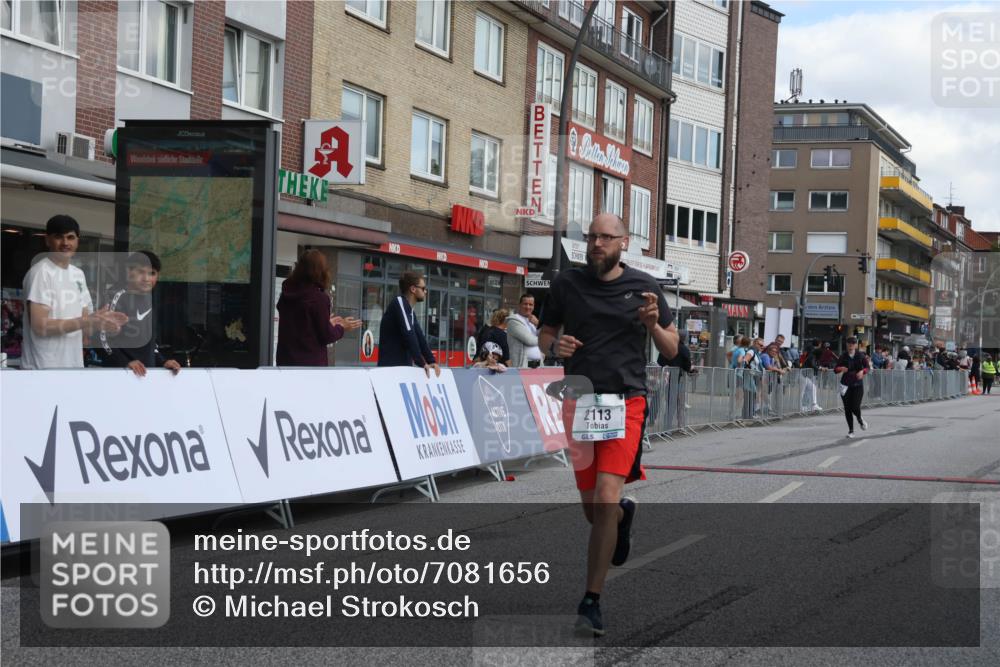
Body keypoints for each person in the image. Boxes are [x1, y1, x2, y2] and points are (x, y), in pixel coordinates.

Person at [537, 213, 679, 637]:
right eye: (591, 236)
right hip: (578, 399)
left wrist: (653, 326)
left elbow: (672, 349)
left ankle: (591, 600)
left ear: (624, 242)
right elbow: (545, 334)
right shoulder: (566, 283)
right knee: (593, 509)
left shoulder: (644, 287)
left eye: (605, 236)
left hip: (626, 400)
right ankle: (622, 515)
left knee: (603, 497)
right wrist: (553, 345)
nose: (596, 243)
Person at [21, 215, 127, 369]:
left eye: (70, 237)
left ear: (77, 240)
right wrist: (88, 321)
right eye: (59, 237)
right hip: (42, 369)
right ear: (47, 240)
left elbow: (85, 326)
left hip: (73, 368)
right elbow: (40, 326)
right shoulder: (41, 273)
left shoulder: (78, 274)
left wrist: (102, 324)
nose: (65, 243)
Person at [100, 251, 181, 377]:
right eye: (141, 272)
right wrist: (125, 362)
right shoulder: (115, 296)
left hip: (146, 376)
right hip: (121, 376)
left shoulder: (149, 299)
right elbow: (100, 338)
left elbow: (151, 344)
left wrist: (163, 361)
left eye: (152, 273)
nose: (147, 278)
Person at [276, 250, 361, 366]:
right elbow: (326, 336)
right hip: (310, 367)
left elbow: (300, 326)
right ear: (321, 271)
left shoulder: (286, 294)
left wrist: (326, 323)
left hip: (286, 362)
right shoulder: (318, 298)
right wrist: (342, 327)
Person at [377, 270, 440, 377]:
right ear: (413, 289)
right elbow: (409, 334)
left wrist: (431, 361)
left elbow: (420, 338)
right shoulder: (399, 303)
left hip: (403, 370)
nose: (426, 292)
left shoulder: (410, 311)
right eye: (423, 288)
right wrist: (421, 362)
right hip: (389, 371)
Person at [835, 336, 870, 438]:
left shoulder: (860, 355)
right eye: (849, 343)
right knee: (847, 409)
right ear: (847, 344)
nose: (851, 345)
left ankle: (860, 419)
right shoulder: (843, 356)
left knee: (855, 406)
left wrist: (862, 371)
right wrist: (840, 368)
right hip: (845, 385)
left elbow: (867, 367)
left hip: (857, 385)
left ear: (856, 345)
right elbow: (835, 369)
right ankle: (851, 431)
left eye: (853, 343)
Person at [506, 294, 543, 368]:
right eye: (525, 304)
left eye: (531, 304)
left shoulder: (533, 321)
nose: (528, 307)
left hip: (538, 366)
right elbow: (530, 340)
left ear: (533, 306)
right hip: (523, 367)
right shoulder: (513, 321)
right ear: (519, 305)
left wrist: (538, 324)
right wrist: (544, 340)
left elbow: (544, 335)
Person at [800, 345, 824, 412]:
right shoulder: (812, 356)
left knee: (812, 389)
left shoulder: (813, 356)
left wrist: (820, 367)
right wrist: (820, 368)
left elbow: (815, 365)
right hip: (803, 375)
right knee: (802, 392)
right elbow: (812, 365)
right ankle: (802, 407)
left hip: (805, 376)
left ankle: (813, 405)